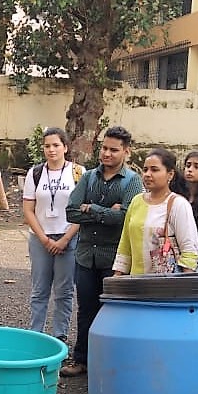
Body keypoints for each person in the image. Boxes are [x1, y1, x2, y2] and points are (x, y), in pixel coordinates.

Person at [60, 126, 143, 377]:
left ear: (126, 152)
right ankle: (81, 359)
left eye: (113, 150)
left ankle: (109, 363)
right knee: (85, 309)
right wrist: (106, 211)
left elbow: (125, 217)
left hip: (113, 258)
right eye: (104, 148)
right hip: (86, 256)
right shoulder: (88, 177)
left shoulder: (132, 181)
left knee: (113, 311)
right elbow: (71, 211)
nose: (106, 153)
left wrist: (91, 209)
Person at [22, 127, 83, 341]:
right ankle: (35, 336)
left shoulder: (78, 172)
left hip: (69, 237)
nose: (51, 150)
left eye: (56, 145)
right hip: (41, 238)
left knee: (64, 291)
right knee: (39, 290)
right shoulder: (35, 172)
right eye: (47, 146)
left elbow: (83, 209)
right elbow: (28, 209)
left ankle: (59, 337)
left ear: (65, 147)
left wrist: (66, 238)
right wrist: (43, 238)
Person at [113, 148, 198, 275]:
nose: (148, 174)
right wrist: (118, 275)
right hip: (136, 284)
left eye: (154, 170)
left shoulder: (178, 205)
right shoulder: (136, 201)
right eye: (145, 170)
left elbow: (189, 250)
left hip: (165, 287)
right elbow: (125, 244)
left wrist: (186, 285)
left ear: (170, 174)